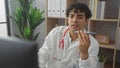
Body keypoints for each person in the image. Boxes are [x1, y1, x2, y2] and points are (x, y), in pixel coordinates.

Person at [38, 2, 99, 68]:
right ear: (68, 19)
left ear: (86, 21)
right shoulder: (55, 33)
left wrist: (84, 54)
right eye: (71, 16)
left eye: (80, 17)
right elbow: (42, 56)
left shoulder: (93, 43)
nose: (75, 20)